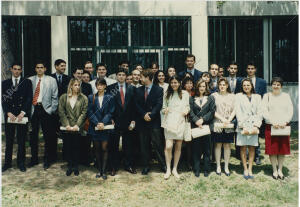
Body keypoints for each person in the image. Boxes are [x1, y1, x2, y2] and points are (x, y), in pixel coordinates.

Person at [2, 63, 33, 172]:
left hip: (21, 115)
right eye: (14, 69)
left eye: (19, 69)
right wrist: (8, 112)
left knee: (21, 140)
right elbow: (3, 100)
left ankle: (21, 163)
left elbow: (29, 98)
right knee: (9, 140)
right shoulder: (5, 83)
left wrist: (23, 112)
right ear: (11, 70)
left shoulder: (27, 82)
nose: (16, 71)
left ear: (21, 70)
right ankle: (7, 163)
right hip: (10, 115)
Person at [135, 69, 166, 175]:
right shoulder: (138, 90)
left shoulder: (158, 90)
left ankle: (163, 165)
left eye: (141, 76)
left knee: (158, 144)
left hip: (154, 121)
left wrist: (151, 115)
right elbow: (136, 105)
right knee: (144, 145)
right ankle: (146, 166)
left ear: (148, 78)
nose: (140, 78)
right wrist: (144, 114)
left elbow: (159, 104)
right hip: (142, 121)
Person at [28, 61, 58, 170]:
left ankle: (47, 160)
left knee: (48, 136)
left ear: (45, 69)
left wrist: (50, 110)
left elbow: (55, 97)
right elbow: (27, 97)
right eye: (37, 67)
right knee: (33, 136)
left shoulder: (51, 80)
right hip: (33, 109)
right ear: (35, 69)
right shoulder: (30, 80)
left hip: (46, 109)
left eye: (42, 67)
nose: (40, 69)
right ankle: (34, 159)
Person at [106, 68, 137, 176]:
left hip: (128, 121)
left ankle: (128, 165)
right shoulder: (111, 88)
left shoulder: (132, 89)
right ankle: (113, 167)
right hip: (115, 121)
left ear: (126, 76)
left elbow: (135, 106)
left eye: (123, 75)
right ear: (116, 76)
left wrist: (133, 120)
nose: (121, 76)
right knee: (113, 145)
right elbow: (108, 105)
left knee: (128, 145)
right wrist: (110, 119)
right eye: (119, 74)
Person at [262, 77, 293, 180]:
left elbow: (290, 110)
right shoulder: (267, 96)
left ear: (281, 86)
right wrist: (272, 122)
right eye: (274, 84)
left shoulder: (286, 96)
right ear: (271, 85)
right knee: (273, 149)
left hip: (283, 126)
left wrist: (285, 122)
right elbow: (264, 111)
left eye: (278, 85)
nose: (275, 86)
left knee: (282, 149)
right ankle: (274, 170)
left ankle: (280, 169)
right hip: (271, 126)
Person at [161, 76, 190, 179]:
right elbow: (163, 108)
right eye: (172, 82)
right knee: (168, 146)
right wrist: (165, 110)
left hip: (180, 121)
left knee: (178, 146)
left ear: (179, 83)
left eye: (176, 82)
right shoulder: (166, 94)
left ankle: (174, 168)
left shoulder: (185, 94)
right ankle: (168, 168)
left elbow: (187, 106)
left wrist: (186, 111)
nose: (174, 84)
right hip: (169, 122)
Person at [58, 78, 88, 176]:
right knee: (67, 147)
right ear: (71, 86)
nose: (77, 87)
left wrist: (77, 125)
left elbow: (84, 113)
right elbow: (61, 112)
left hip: (78, 127)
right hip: (67, 127)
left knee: (76, 147)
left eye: (79, 85)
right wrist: (66, 124)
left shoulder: (83, 98)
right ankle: (69, 166)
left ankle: (75, 166)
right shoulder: (63, 97)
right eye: (75, 85)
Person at [235, 78, 263, 179]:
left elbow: (260, 112)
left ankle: (250, 168)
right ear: (242, 87)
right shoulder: (238, 97)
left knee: (252, 147)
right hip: (243, 125)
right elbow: (238, 112)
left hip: (254, 125)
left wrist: (256, 125)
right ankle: (245, 168)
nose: (246, 87)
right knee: (243, 147)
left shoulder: (258, 97)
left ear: (252, 86)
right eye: (244, 85)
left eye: (248, 85)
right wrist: (242, 126)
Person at [87, 78, 115, 179]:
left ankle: (104, 170)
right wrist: (97, 123)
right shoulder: (91, 97)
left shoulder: (110, 97)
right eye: (98, 85)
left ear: (105, 86)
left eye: (101, 85)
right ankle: (99, 170)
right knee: (97, 149)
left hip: (105, 127)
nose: (100, 87)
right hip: (95, 127)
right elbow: (89, 112)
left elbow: (111, 112)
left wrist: (103, 122)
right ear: (96, 86)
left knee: (104, 148)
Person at [189, 80, 216, 177]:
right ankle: (196, 169)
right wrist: (196, 120)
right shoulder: (192, 99)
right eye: (200, 86)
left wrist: (203, 120)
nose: (202, 88)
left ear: (206, 87)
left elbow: (212, 111)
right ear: (197, 87)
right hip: (196, 127)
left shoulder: (210, 98)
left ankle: (206, 169)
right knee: (196, 149)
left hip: (206, 126)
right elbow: (190, 112)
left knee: (207, 149)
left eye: (203, 86)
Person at [212, 78, 235, 176]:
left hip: (228, 124)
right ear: (218, 86)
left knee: (227, 145)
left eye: (224, 84)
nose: (222, 86)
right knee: (218, 144)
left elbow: (235, 109)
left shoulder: (232, 96)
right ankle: (218, 166)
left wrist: (229, 119)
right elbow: (212, 110)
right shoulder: (214, 96)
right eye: (220, 84)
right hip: (218, 123)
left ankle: (226, 166)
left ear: (227, 86)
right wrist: (222, 119)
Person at [246, 62, 267, 165]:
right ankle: (246, 156)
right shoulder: (242, 81)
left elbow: (264, 97)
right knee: (246, 134)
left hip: (257, 112)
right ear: (246, 70)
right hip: (245, 112)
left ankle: (257, 156)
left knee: (256, 134)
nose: (250, 70)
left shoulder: (262, 82)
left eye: (252, 68)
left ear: (255, 70)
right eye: (249, 68)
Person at [50, 59, 71, 163]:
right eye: (62, 66)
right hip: (53, 111)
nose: (64, 68)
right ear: (56, 66)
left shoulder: (68, 78)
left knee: (66, 133)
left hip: (65, 111)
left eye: (64, 66)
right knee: (52, 134)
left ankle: (66, 155)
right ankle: (52, 156)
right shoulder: (50, 78)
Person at [72, 68, 93, 166]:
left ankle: (86, 159)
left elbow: (90, 101)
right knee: (75, 139)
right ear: (74, 74)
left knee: (85, 139)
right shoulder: (70, 85)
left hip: (84, 116)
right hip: (73, 116)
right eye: (78, 73)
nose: (80, 75)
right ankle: (75, 160)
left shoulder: (87, 86)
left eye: (81, 73)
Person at [226, 61, 242, 159]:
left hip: (238, 107)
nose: (233, 70)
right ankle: (225, 151)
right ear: (228, 69)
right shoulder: (223, 79)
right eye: (231, 68)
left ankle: (238, 152)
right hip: (226, 108)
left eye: (235, 68)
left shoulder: (241, 80)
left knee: (238, 130)